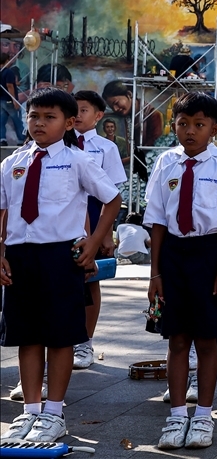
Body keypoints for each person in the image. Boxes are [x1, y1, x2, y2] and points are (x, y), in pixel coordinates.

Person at [0, 88, 121, 443]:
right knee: (27, 335)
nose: (39, 123)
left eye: (49, 117)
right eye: (34, 116)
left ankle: (54, 411)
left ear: (69, 123)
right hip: (21, 256)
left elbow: (112, 200)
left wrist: (95, 241)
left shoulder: (77, 160)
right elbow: (3, 211)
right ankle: (30, 411)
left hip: (60, 257)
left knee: (60, 335)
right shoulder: (13, 163)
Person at [144, 92, 217, 450]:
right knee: (176, 340)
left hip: (209, 254)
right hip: (173, 254)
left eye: (199, 125)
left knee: (206, 339)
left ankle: (203, 416)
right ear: (174, 125)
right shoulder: (165, 164)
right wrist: (155, 274)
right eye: (183, 123)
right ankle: (176, 416)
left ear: (214, 129)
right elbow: (156, 220)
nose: (190, 131)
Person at [72, 90, 128, 371]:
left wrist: (106, 233)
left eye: (84, 110)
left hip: (96, 212)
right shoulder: (62, 143)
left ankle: (85, 342)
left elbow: (113, 192)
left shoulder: (106, 148)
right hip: (67, 213)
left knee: (89, 278)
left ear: (98, 115)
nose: (78, 115)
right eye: (75, 110)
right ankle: (63, 339)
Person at [0, 52, 25, 144]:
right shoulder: (8, 72)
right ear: (7, 60)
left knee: (1, 121)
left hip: (1, 100)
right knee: (17, 120)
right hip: (9, 100)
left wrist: (16, 84)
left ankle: (2, 139)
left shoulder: (1, 72)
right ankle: (21, 139)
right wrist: (14, 100)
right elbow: (9, 85)